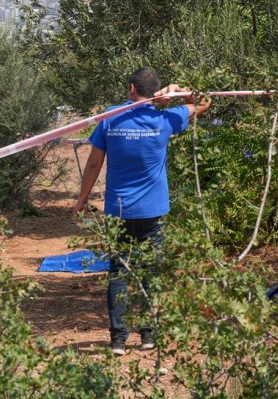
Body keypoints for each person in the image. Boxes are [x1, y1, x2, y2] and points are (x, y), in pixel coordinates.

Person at [72, 66, 211, 356]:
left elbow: (94, 163)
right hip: (153, 212)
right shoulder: (165, 119)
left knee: (118, 274)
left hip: (119, 210)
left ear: (132, 88)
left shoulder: (110, 117)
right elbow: (205, 100)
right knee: (151, 272)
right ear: (154, 91)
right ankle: (148, 335)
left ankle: (119, 340)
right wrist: (177, 92)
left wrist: (82, 199)